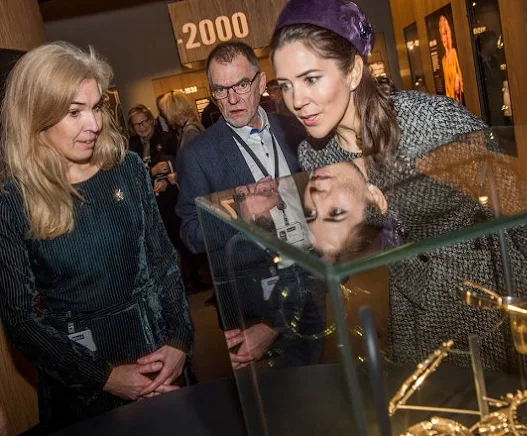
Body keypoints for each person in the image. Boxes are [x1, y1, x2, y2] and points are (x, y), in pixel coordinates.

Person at [270, 0, 527, 370]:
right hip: (412, 302)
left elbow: (514, 206)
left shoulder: (433, 123)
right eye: (286, 85)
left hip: (489, 294)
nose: (296, 100)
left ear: (354, 71)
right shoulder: (315, 156)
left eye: (311, 79)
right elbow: (351, 249)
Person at [0, 42, 193, 432]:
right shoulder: (13, 200)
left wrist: (179, 341)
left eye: (96, 107)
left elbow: (163, 264)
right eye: (74, 112)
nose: (94, 124)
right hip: (83, 374)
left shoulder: (128, 171)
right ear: (36, 116)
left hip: (156, 351)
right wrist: (103, 377)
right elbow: (20, 320)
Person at [176, 41, 311, 368]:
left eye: (241, 84)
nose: (232, 98)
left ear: (261, 83)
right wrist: (241, 214)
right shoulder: (198, 154)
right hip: (251, 310)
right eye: (220, 90)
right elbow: (190, 232)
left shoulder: (295, 128)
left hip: (310, 290)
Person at [127, 104, 181, 248]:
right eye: (137, 124)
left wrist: (167, 182)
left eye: (144, 121)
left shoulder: (167, 138)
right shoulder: (131, 147)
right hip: (147, 204)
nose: (142, 126)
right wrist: (152, 172)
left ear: (151, 120)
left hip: (171, 201)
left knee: (177, 243)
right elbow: (131, 176)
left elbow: (180, 166)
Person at [439, 15, 464, 104]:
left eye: (445, 33)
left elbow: (458, 72)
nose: (443, 38)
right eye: (441, 35)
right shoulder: (443, 60)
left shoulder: (453, 52)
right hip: (451, 98)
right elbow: (446, 84)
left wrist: (457, 79)